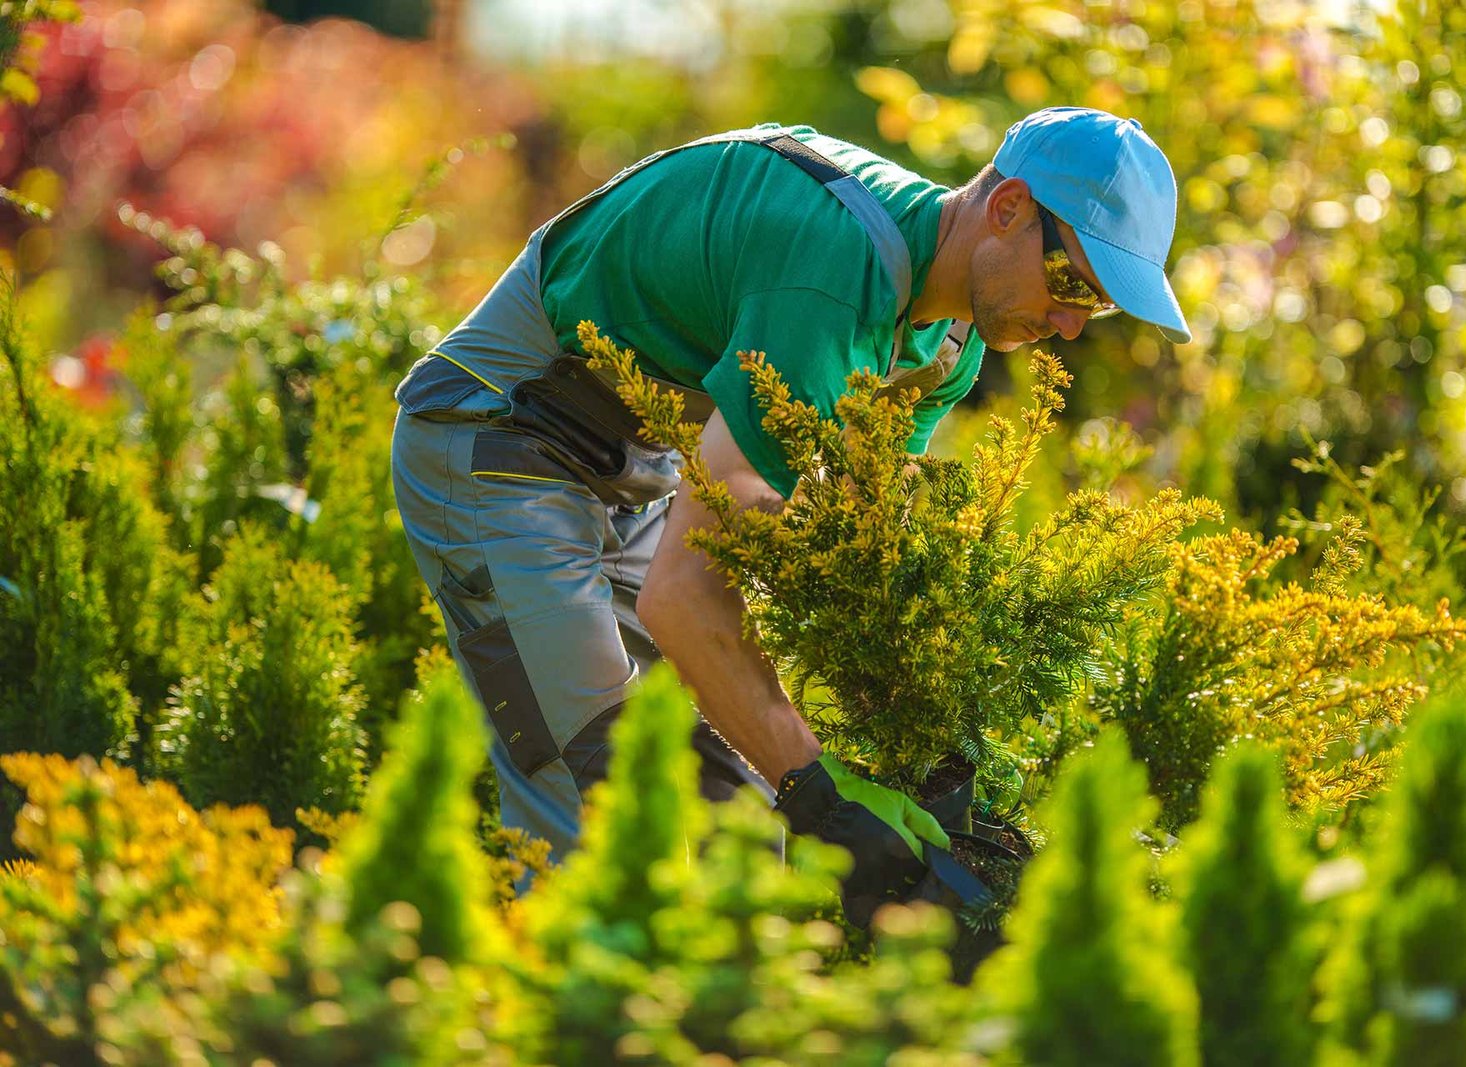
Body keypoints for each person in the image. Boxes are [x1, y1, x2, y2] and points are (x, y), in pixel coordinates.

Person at [389, 106, 1190, 919]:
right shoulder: (831, 276)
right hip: (497, 432)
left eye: (1101, 305)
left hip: (631, 472)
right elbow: (687, 594)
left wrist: (917, 752)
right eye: (1072, 283)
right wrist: (817, 792)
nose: (1072, 325)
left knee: (736, 819)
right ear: (1009, 209)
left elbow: (844, 553)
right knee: (600, 792)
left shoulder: (946, 344)